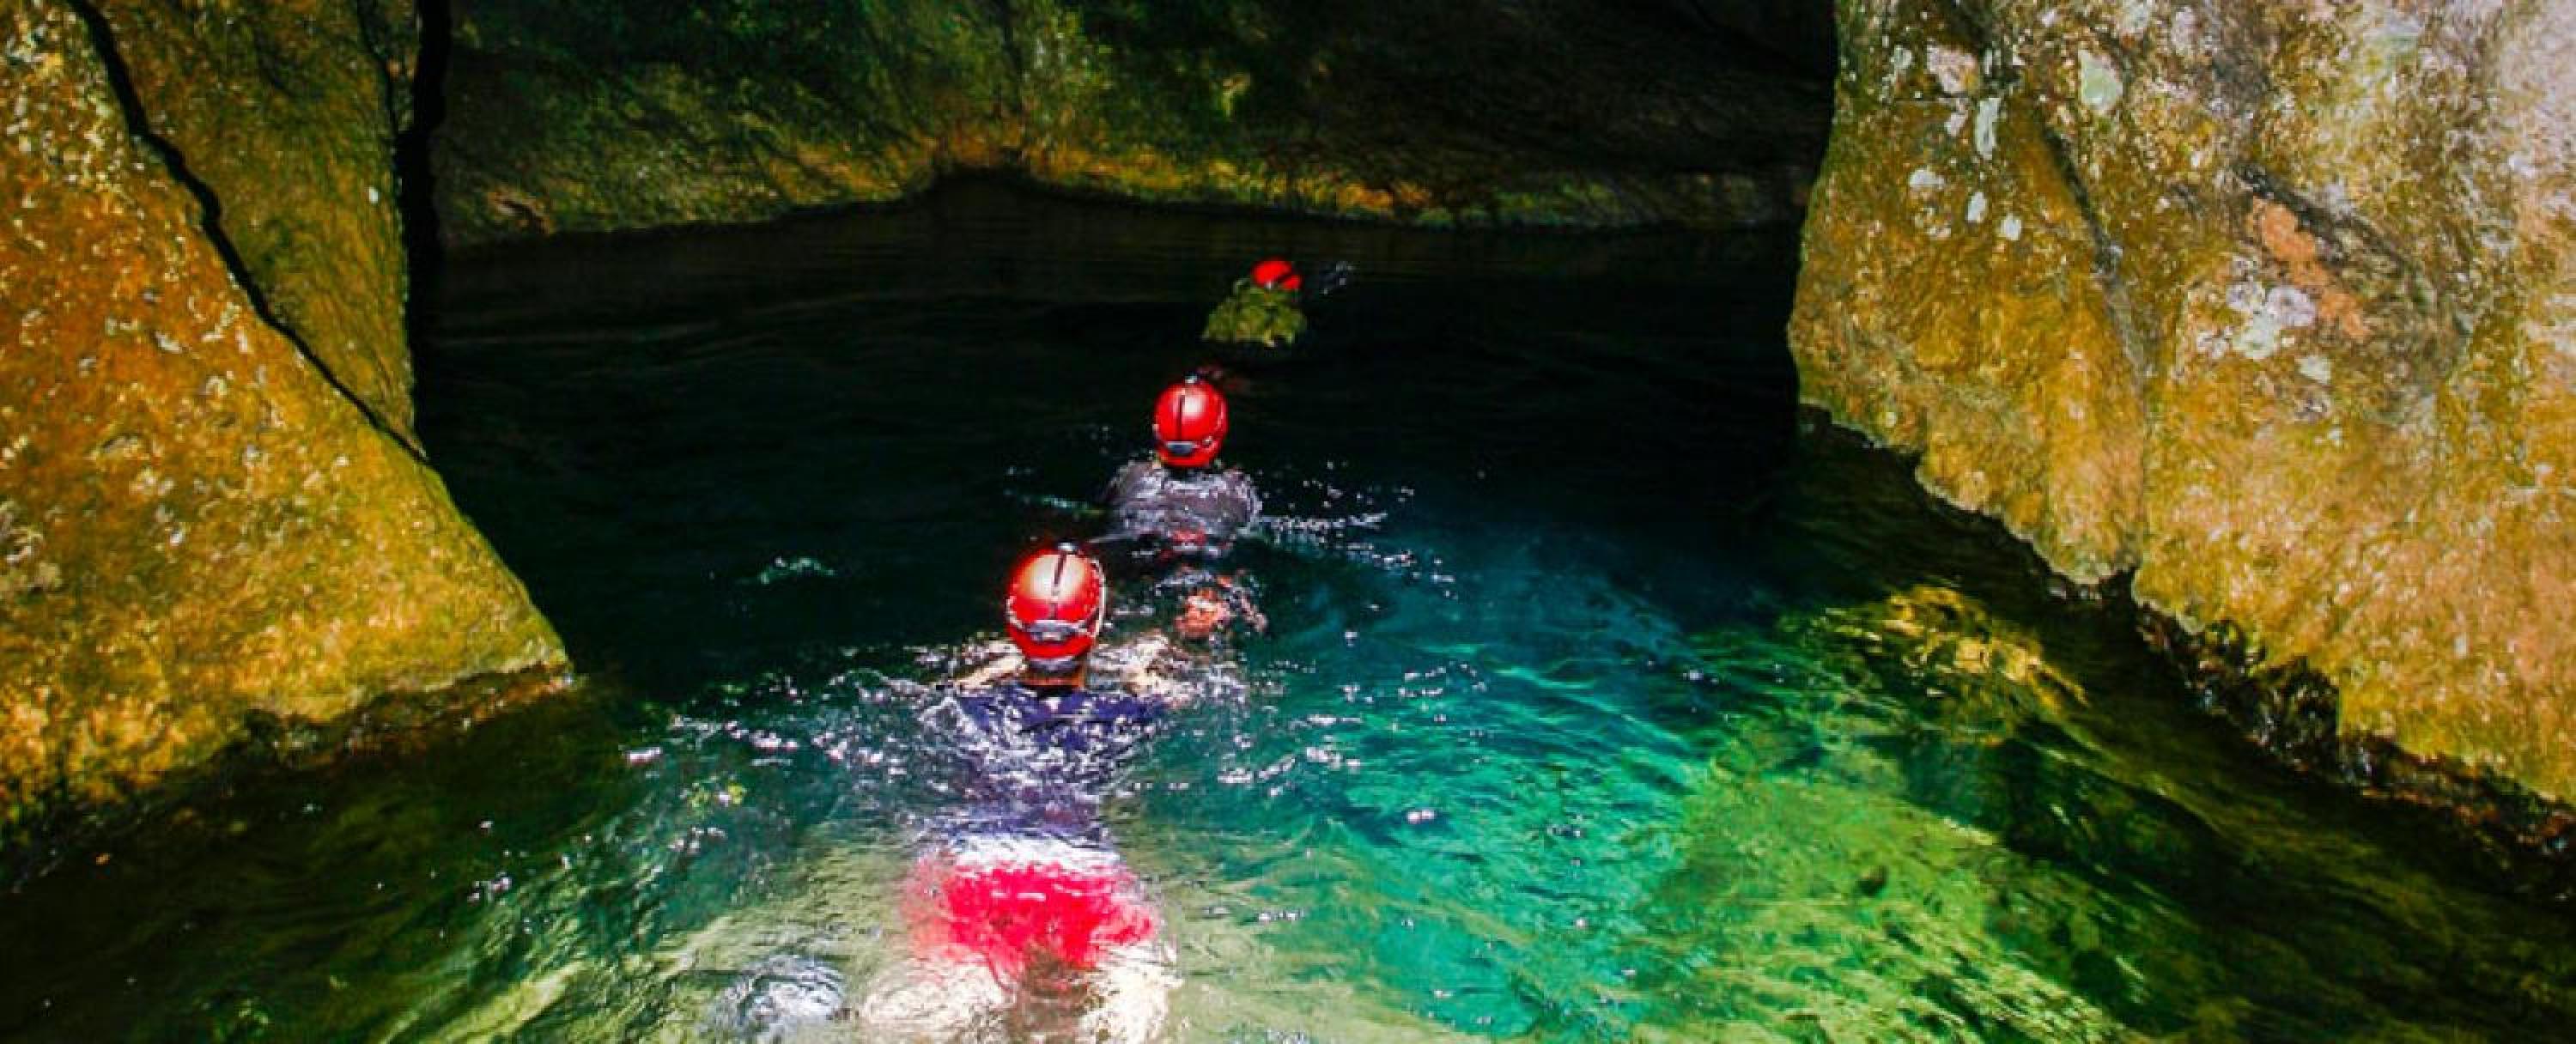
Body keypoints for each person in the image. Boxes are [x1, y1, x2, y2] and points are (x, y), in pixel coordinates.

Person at [857, 545, 1183, 1041]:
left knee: (937, 1016)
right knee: (1131, 1016)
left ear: (1014, 631)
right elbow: (1172, 697)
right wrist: (1144, 669)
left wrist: (992, 668)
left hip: (975, 871)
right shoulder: (1126, 714)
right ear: (1094, 630)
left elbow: (952, 692)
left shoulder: (965, 708)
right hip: (1081, 878)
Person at [1102, 375, 1263, 562]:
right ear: (1220, 431)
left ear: (1157, 432)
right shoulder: (1236, 488)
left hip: (1135, 560)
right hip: (1207, 564)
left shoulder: (1131, 476)